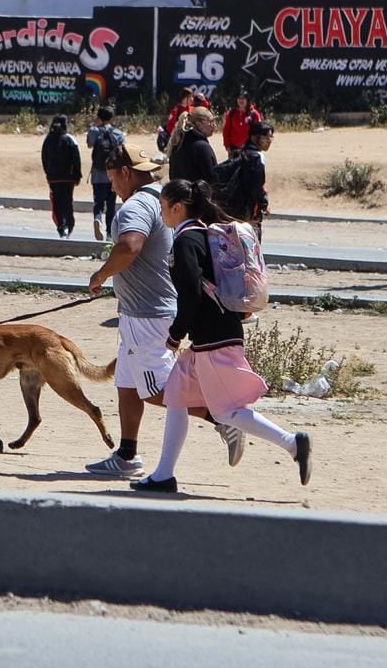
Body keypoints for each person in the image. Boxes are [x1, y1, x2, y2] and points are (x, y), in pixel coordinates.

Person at [131, 179, 312, 494]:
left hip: (212, 339)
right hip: (215, 335)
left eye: (163, 207)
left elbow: (190, 294)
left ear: (177, 207)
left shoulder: (186, 241)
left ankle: (292, 443)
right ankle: (163, 475)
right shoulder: (205, 235)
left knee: (226, 411)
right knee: (176, 395)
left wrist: (175, 334)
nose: (161, 213)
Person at [85, 145, 245, 477]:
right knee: (128, 382)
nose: (111, 186)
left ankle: (223, 418)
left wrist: (101, 275)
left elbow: (129, 246)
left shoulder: (135, 206)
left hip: (148, 315)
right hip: (142, 311)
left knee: (159, 391)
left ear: (126, 173)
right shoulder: (160, 199)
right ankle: (126, 455)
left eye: (112, 178)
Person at [85, 107, 124, 241]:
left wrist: (95, 126)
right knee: (111, 204)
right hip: (113, 175)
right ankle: (109, 233)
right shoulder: (117, 133)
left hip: (97, 174)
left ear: (99, 117)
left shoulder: (94, 131)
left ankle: (97, 219)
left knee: (98, 202)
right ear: (111, 118)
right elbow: (122, 151)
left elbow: (89, 144)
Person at [41, 114, 82, 238]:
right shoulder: (70, 139)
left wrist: (48, 174)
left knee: (57, 202)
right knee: (67, 201)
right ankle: (69, 225)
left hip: (53, 178)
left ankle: (61, 227)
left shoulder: (47, 140)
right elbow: (76, 159)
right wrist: (77, 175)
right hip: (68, 178)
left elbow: (44, 159)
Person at [168, 105, 218, 183]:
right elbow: (213, 180)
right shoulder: (202, 147)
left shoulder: (177, 144)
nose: (214, 125)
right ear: (198, 123)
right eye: (211, 121)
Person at [222, 92, 261, 158]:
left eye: (243, 98)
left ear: (247, 100)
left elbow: (259, 131)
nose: (241, 100)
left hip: (250, 148)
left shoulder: (254, 114)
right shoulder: (231, 113)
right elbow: (226, 130)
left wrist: (257, 145)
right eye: (239, 98)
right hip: (233, 148)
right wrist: (227, 145)